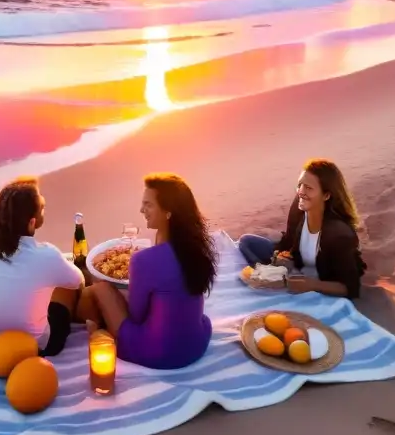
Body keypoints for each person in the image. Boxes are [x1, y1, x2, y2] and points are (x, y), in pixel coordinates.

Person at [87, 173, 216, 370]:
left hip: (158, 354)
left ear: (168, 212)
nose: (141, 210)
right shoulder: (197, 248)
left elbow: (136, 316)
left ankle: (95, 328)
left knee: (100, 288)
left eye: (148, 205)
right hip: (196, 344)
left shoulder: (143, 260)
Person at [0, 176, 87, 357]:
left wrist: (11, 198)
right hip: (35, 347)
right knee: (67, 286)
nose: (44, 210)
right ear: (32, 222)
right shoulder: (47, 255)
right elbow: (78, 282)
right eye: (42, 208)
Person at [238, 158, 366, 299]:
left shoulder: (339, 234)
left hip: (320, 282)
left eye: (309, 188)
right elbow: (289, 240)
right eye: (300, 185)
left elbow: (351, 288)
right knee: (246, 242)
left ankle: (271, 281)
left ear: (326, 195)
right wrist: (281, 256)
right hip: (295, 271)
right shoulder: (299, 207)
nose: (301, 192)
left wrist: (312, 285)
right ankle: (270, 278)